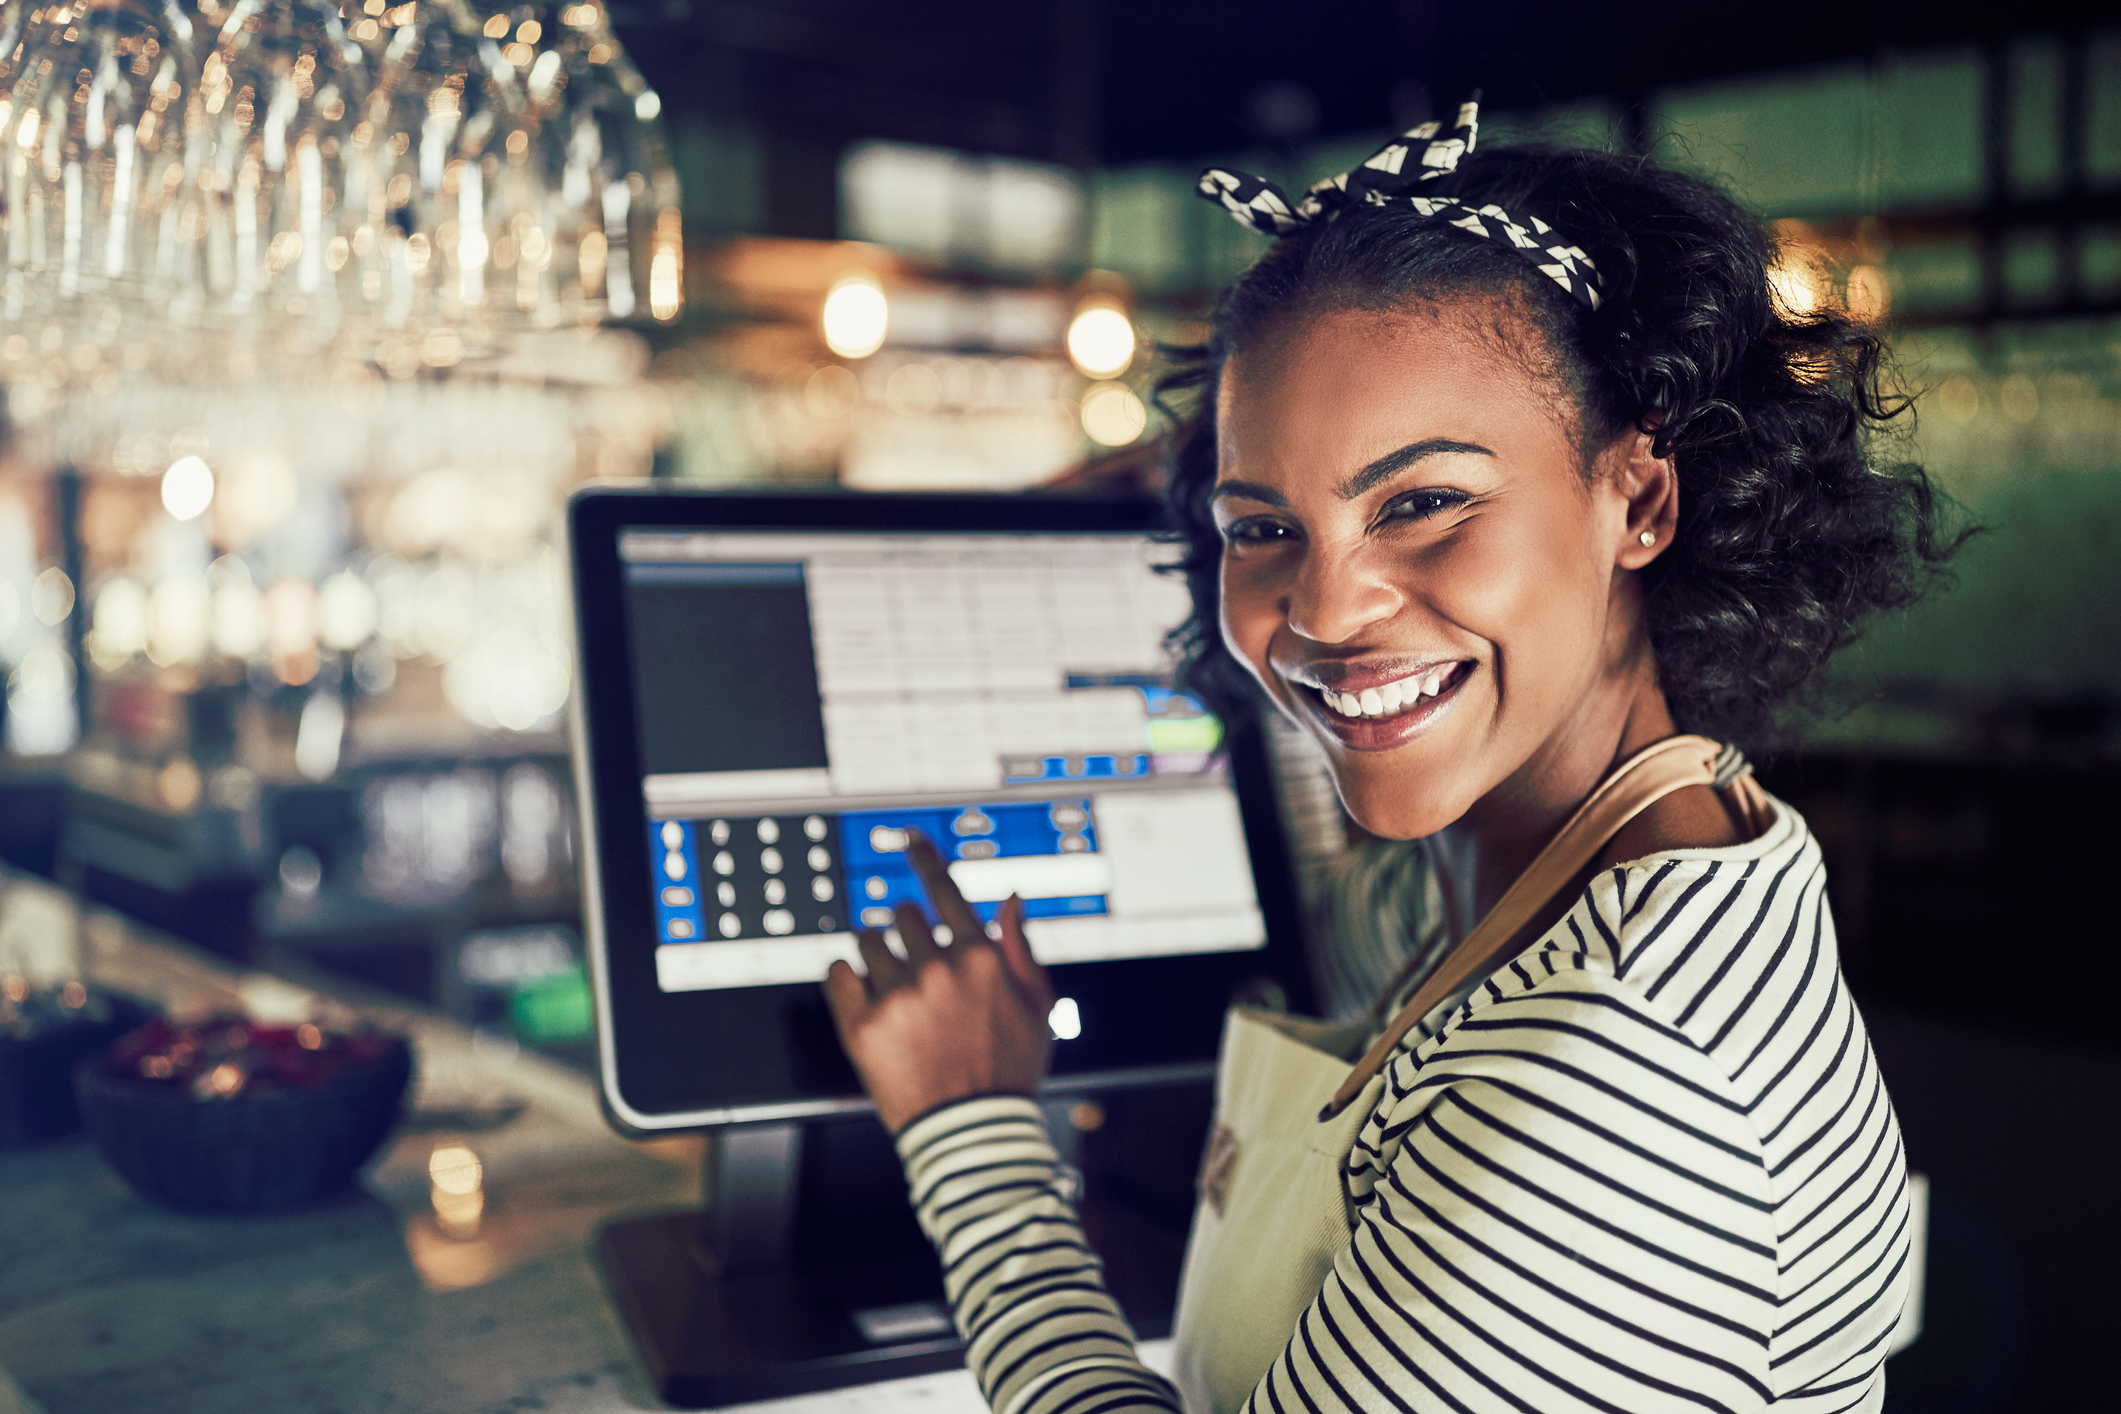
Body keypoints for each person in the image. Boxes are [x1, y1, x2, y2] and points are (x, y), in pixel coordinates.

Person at [825, 101, 1952, 1414]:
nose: (1322, 609)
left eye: (1419, 503)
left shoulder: (1617, 1086)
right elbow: (1331, 897)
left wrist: (972, 1135)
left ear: (1638, 498)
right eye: (1262, 528)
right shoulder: (1563, 858)